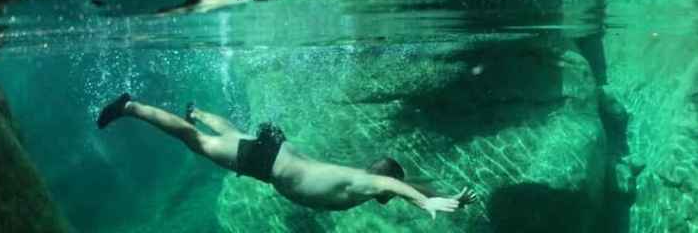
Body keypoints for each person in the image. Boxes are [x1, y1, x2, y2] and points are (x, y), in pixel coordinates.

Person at [97, 93, 477, 219]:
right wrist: (427, 202)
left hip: (273, 150)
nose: (390, 192)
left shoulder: (357, 182)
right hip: (268, 161)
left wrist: (438, 196)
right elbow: (389, 182)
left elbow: (398, 181)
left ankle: (195, 111)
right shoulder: (363, 184)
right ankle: (131, 107)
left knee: (231, 134)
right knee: (195, 141)